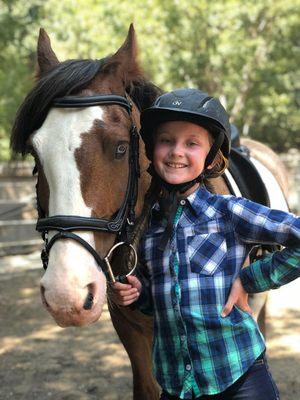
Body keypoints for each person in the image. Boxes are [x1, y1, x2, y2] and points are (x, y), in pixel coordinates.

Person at [112, 88, 300, 400]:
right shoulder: (148, 229)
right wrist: (138, 294)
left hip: (239, 377)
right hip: (175, 384)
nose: (176, 151)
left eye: (192, 143)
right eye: (166, 140)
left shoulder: (229, 212)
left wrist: (251, 279)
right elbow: (156, 302)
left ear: (211, 156)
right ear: (152, 148)